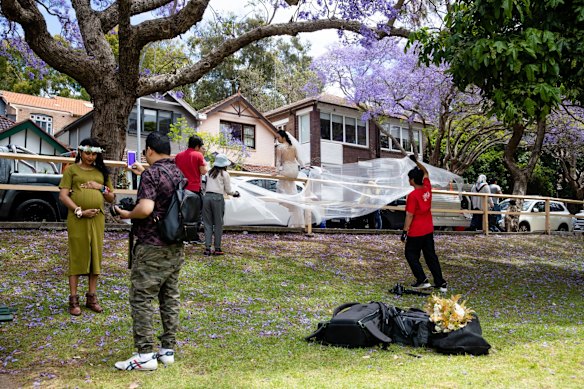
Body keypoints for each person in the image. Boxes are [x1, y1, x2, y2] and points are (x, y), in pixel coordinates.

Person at [113, 132, 185, 371]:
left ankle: (144, 355)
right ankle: (167, 350)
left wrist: (126, 214)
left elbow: (145, 209)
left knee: (142, 298)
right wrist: (143, 173)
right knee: (169, 297)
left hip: (151, 245)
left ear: (150, 151)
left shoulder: (152, 174)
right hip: (174, 245)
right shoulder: (178, 173)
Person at [59, 138, 115, 316]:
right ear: (80, 152)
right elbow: (63, 196)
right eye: (87, 153)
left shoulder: (101, 173)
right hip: (77, 219)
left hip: (97, 220)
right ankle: (73, 299)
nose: (90, 157)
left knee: (95, 255)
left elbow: (111, 197)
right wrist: (79, 211)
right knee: (77, 254)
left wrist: (100, 187)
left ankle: (92, 297)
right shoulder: (72, 170)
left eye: (94, 154)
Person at [401, 155, 447, 292]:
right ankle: (440, 282)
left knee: (410, 254)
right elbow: (426, 172)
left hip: (416, 231)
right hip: (428, 229)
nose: (408, 180)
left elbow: (409, 215)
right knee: (431, 256)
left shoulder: (413, 195)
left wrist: (404, 232)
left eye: (409, 178)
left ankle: (422, 280)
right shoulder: (427, 188)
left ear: (413, 180)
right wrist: (416, 162)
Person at [202, 153, 240, 256]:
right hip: (217, 198)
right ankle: (217, 248)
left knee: (207, 224)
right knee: (218, 224)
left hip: (207, 198)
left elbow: (204, 186)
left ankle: (207, 248)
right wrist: (235, 193)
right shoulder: (224, 174)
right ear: (224, 164)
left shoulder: (209, 173)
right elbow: (228, 190)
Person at [175, 135, 207, 243]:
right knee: (195, 215)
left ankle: (181, 235)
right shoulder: (198, 155)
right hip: (193, 188)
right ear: (197, 146)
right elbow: (203, 171)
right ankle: (193, 237)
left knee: (181, 214)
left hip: (180, 188)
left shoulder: (179, 155)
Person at [274, 130, 304, 228]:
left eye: (278, 137)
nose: (277, 140)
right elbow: (299, 159)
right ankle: (293, 209)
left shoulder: (279, 147)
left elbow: (278, 161)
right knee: (292, 189)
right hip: (295, 171)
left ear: (283, 137)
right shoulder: (293, 147)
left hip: (286, 170)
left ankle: (286, 203)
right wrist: (304, 167)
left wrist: (276, 171)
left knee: (281, 188)